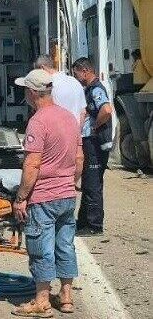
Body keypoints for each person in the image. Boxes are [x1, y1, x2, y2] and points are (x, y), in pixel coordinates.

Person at [10, 69, 83, 317]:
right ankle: (66, 296)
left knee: (40, 246)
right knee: (65, 244)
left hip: (44, 196)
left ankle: (42, 299)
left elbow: (32, 165)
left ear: (32, 93)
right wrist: (70, 182)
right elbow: (79, 158)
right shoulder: (69, 118)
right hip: (67, 195)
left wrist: (20, 198)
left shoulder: (38, 121)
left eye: (25, 91)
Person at [72, 57, 113, 234]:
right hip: (90, 142)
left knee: (93, 184)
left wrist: (95, 125)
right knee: (88, 183)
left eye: (77, 73)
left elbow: (106, 110)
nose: (76, 77)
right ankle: (83, 222)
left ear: (85, 71)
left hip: (95, 143)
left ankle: (94, 226)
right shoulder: (89, 89)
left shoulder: (96, 89)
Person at [34, 55, 85, 127]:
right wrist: (78, 133)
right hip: (75, 133)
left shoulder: (49, 87)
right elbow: (83, 112)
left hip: (58, 134)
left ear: (42, 68)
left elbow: (46, 114)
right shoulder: (75, 82)